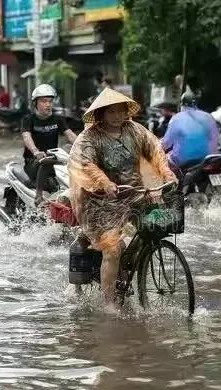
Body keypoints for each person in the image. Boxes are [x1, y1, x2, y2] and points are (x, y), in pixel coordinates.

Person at [68, 88, 178, 310]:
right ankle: (110, 305)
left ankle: (130, 265)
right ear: (101, 114)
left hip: (134, 194)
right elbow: (86, 164)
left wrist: (167, 173)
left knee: (154, 226)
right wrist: (105, 183)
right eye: (111, 112)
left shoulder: (134, 130)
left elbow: (155, 151)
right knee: (113, 249)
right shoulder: (90, 137)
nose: (117, 117)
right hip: (100, 202)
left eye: (120, 111)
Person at [21, 84, 78, 205]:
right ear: (35, 103)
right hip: (34, 161)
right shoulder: (28, 119)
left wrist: (85, 146)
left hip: (53, 159)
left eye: (50, 101)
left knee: (68, 149)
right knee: (46, 161)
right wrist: (35, 151)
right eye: (44, 101)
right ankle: (38, 196)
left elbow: (70, 134)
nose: (48, 104)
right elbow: (27, 137)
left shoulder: (58, 119)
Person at [161, 92, 219, 177]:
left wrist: (159, 148)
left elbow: (166, 143)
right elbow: (215, 138)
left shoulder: (176, 118)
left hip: (185, 160)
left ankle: (174, 187)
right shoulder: (208, 116)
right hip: (210, 157)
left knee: (165, 162)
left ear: (182, 104)